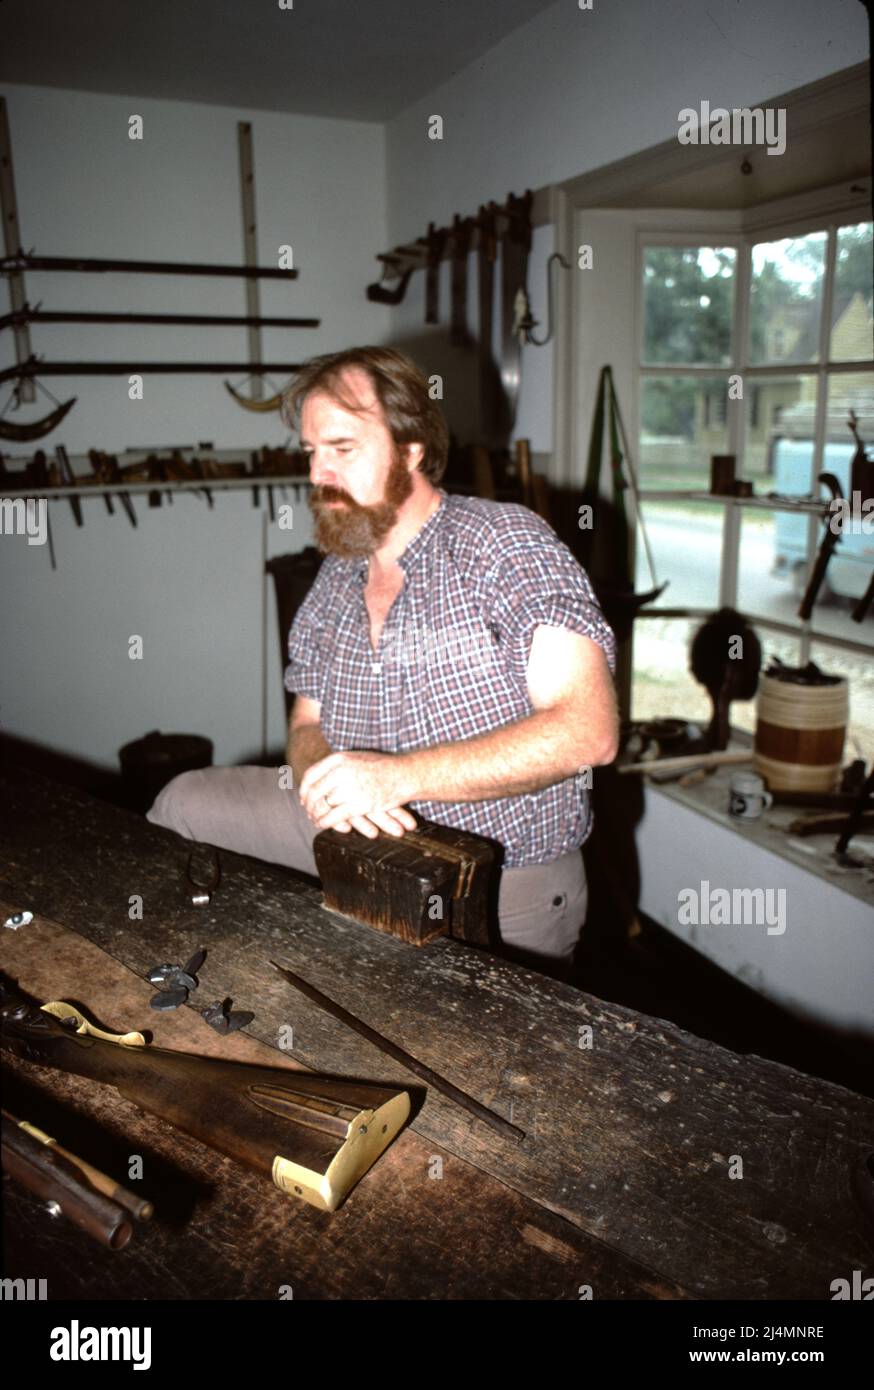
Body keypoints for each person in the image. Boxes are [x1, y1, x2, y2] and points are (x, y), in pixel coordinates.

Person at [148, 346, 618, 974]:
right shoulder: (337, 577)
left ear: (411, 446)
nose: (320, 475)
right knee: (183, 803)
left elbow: (587, 731)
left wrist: (393, 778)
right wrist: (328, 785)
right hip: (358, 835)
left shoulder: (505, 543)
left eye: (342, 448)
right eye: (312, 453)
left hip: (500, 869)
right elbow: (306, 726)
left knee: (466, 1053)